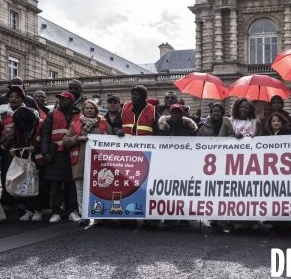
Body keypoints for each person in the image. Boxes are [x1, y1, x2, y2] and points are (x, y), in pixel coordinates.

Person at [0, 85, 40, 211]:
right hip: (7, 149)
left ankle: (23, 200)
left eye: (17, 97)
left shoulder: (30, 112)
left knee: (24, 173)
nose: (13, 99)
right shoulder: (0, 113)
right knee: (7, 173)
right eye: (11, 96)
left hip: (24, 148)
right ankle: (7, 200)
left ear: (23, 99)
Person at [63, 99, 111, 225]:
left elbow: (113, 141)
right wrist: (77, 138)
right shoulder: (76, 124)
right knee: (81, 190)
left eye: (92, 108)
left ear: (96, 110)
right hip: (80, 161)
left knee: (100, 189)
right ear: (82, 110)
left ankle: (99, 216)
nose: (89, 110)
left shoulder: (104, 124)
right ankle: (84, 215)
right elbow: (66, 141)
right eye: (87, 108)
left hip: (100, 163)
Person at [118, 86, 159, 226]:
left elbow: (158, 132)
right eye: (132, 94)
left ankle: (149, 217)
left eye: (137, 94)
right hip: (127, 157)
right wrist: (117, 130)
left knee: (146, 186)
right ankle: (129, 216)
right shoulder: (124, 109)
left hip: (147, 156)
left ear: (144, 97)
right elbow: (116, 125)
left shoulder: (153, 110)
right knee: (129, 186)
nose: (133, 96)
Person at [219, 98, 262, 232]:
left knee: (250, 192)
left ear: (250, 110)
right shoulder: (228, 122)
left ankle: (252, 220)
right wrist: (232, 136)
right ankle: (235, 220)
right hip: (233, 163)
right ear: (237, 108)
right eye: (241, 107)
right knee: (235, 192)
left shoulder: (255, 123)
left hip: (251, 162)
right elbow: (220, 140)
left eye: (246, 107)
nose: (244, 110)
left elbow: (262, 141)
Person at [40, 91, 80, 223]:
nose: (61, 101)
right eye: (60, 99)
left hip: (73, 153)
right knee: (55, 185)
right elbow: (45, 134)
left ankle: (72, 211)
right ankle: (56, 212)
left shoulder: (78, 116)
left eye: (64, 99)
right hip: (56, 154)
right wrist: (45, 152)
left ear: (72, 101)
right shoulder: (52, 115)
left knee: (71, 184)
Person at [158, 103, 197, 227]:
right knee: (169, 190)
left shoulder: (189, 128)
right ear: (169, 113)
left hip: (184, 163)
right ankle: (169, 216)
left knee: (183, 190)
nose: (175, 114)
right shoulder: (163, 127)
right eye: (173, 112)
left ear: (182, 114)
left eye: (178, 112)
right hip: (168, 163)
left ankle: (183, 216)